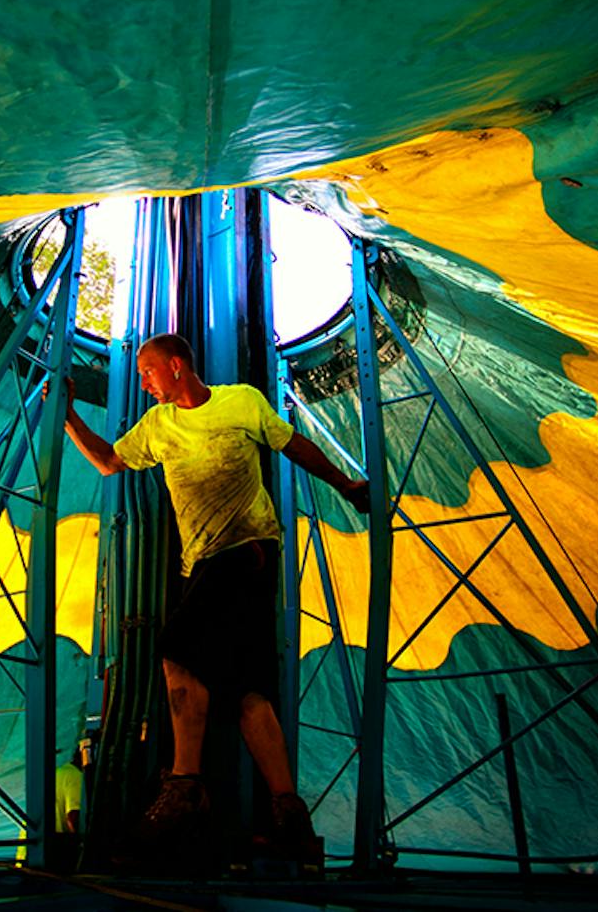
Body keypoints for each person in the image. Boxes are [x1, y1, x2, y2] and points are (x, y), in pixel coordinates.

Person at [54, 333, 370, 850]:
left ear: (177, 366)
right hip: (203, 564)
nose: (143, 382)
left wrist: (345, 484)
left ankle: (185, 785)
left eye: (148, 371)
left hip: (246, 550)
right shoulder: (157, 425)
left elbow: (293, 444)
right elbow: (110, 461)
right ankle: (288, 809)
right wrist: (68, 417)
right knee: (246, 689)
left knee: (175, 650)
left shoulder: (240, 401)